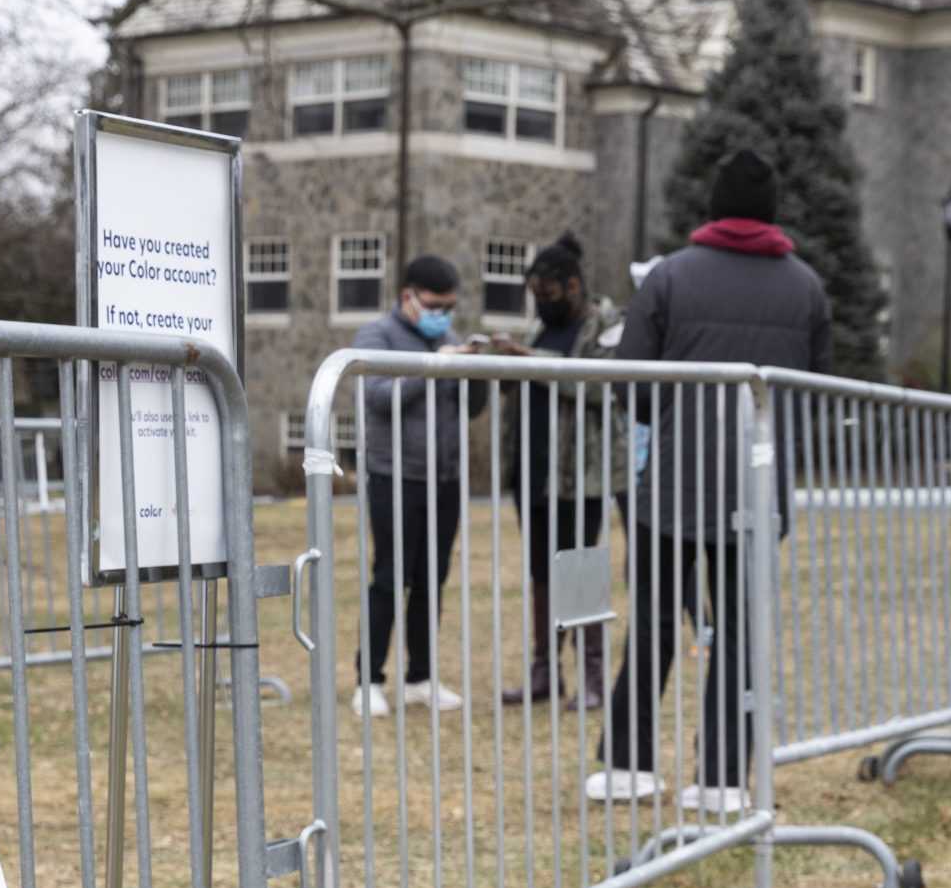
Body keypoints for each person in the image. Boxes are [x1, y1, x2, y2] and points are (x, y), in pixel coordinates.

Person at [587, 148, 828, 815]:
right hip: (758, 486)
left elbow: (631, 388)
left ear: (714, 205)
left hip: (670, 483)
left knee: (655, 621)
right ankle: (723, 775)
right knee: (741, 630)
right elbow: (813, 389)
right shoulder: (806, 286)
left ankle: (630, 763)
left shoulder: (669, 277)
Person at [351, 254, 488, 717]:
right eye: (435, 305)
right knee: (390, 577)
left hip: (445, 479)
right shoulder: (377, 336)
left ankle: (421, 677)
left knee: (432, 580)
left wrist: (478, 370)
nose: (443, 316)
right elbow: (376, 397)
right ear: (407, 296)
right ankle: (368, 679)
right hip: (394, 475)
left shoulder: (447, 340)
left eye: (449, 307)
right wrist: (431, 366)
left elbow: (467, 409)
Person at [497, 231, 614, 710]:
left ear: (571, 286)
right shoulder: (537, 331)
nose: (540, 304)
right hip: (533, 469)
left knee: (580, 568)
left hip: (579, 474)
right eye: (533, 296)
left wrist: (528, 360)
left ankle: (592, 676)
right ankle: (545, 673)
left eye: (545, 294)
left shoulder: (604, 326)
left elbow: (599, 387)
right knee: (542, 571)